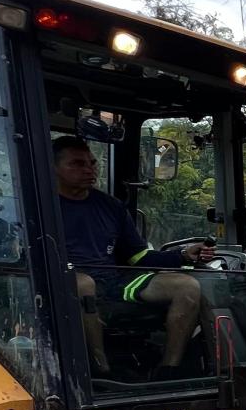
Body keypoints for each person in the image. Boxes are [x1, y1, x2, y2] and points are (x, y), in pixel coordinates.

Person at [51, 135, 215, 377]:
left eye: (92, 163)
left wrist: (183, 256)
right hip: (65, 284)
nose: (89, 169)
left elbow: (137, 257)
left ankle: (168, 370)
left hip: (115, 284)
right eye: (77, 164)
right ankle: (101, 370)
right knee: (84, 284)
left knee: (186, 286)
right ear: (52, 167)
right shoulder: (44, 205)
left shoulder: (111, 207)